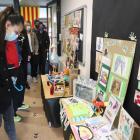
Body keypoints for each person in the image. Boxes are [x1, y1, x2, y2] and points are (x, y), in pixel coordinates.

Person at [0, 6, 25, 140]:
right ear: (8, 25)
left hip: (6, 87)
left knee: (9, 120)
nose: (16, 35)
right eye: (16, 32)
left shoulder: (5, 41)